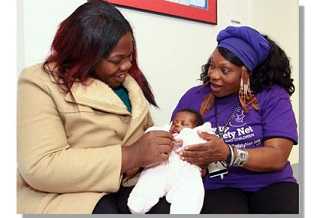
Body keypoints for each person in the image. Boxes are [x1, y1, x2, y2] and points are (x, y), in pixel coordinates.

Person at [17, 0, 176, 214]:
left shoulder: (129, 84)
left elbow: (145, 139)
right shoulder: (38, 82)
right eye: (117, 60)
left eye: (130, 56)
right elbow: (41, 166)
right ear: (84, 55)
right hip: (71, 196)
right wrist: (129, 156)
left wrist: (170, 148)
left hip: (130, 188)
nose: (127, 66)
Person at [173, 25, 299, 214]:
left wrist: (228, 153)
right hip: (219, 186)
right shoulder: (194, 97)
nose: (213, 75)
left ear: (246, 74)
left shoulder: (272, 96)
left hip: (271, 182)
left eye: (225, 70)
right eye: (212, 65)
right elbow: (174, 139)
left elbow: (277, 156)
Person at [127, 109, 212, 214]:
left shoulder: (196, 135)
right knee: (149, 181)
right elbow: (150, 136)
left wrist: (186, 140)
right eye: (174, 122)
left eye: (183, 124)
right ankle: (138, 205)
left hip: (185, 171)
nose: (176, 125)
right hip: (160, 168)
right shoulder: (163, 132)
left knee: (189, 192)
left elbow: (203, 146)